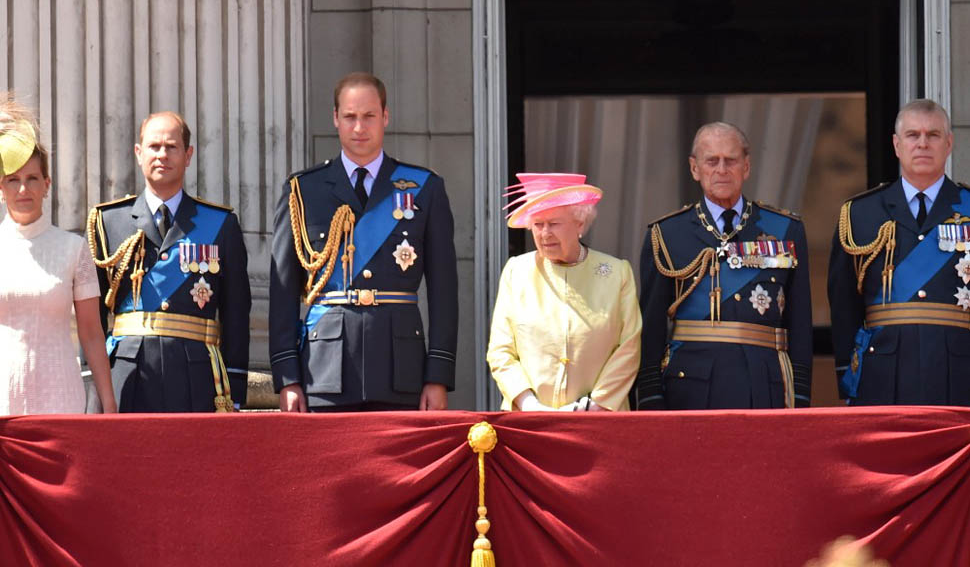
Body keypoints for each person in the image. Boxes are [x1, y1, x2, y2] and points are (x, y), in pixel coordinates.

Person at [270, 72, 458, 412]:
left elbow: (444, 290)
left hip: (401, 368)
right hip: (324, 368)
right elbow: (282, 291)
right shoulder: (303, 191)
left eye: (369, 116)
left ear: (385, 117)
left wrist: (438, 376)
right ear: (335, 118)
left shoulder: (424, 188)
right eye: (350, 117)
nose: (359, 127)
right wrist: (288, 377)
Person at [634, 122, 812, 410]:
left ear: (746, 167)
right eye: (711, 161)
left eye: (730, 160)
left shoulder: (784, 229)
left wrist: (800, 394)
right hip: (690, 387)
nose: (721, 169)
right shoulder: (667, 234)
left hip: (764, 385)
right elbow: (651, 326)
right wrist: (650, 396)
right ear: (695, 168)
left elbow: (800, 321)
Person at [86, 111, 250, 412]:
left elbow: (236, 313)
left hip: (196, 376)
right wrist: (95, 388)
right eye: (154, 146)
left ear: (188, 155)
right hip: (126, 373)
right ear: (139, 153)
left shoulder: (220, 224)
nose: (162, 154)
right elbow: (91, 317)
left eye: (172, 147)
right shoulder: (108, 222)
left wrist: (235, 388)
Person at [828, 99, 970, 405]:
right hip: (882, 375)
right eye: (913, 135)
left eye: (933, 135)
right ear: (896, 145)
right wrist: (847, 375)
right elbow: (844, 304)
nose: (922, 144)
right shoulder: (860, 213)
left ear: (949, 144)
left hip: (959, 373)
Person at [486, 173, 641, 411]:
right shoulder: (517, 272)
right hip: (529, 420)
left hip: (601, 419)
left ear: (580, 223)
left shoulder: (616, 273)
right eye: (538, 224)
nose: (545, 233)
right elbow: (500, 351)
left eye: (554, 224)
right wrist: (530, 405)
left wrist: (594, 406)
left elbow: (629, 347)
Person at [0, 99, 116, 414]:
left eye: (32, 178)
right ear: (1, 188)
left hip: (60, 400)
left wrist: (108, 402)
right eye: (13, 179)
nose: (23, 189)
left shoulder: (73, 248)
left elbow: (92, 332)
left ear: (47, 184)